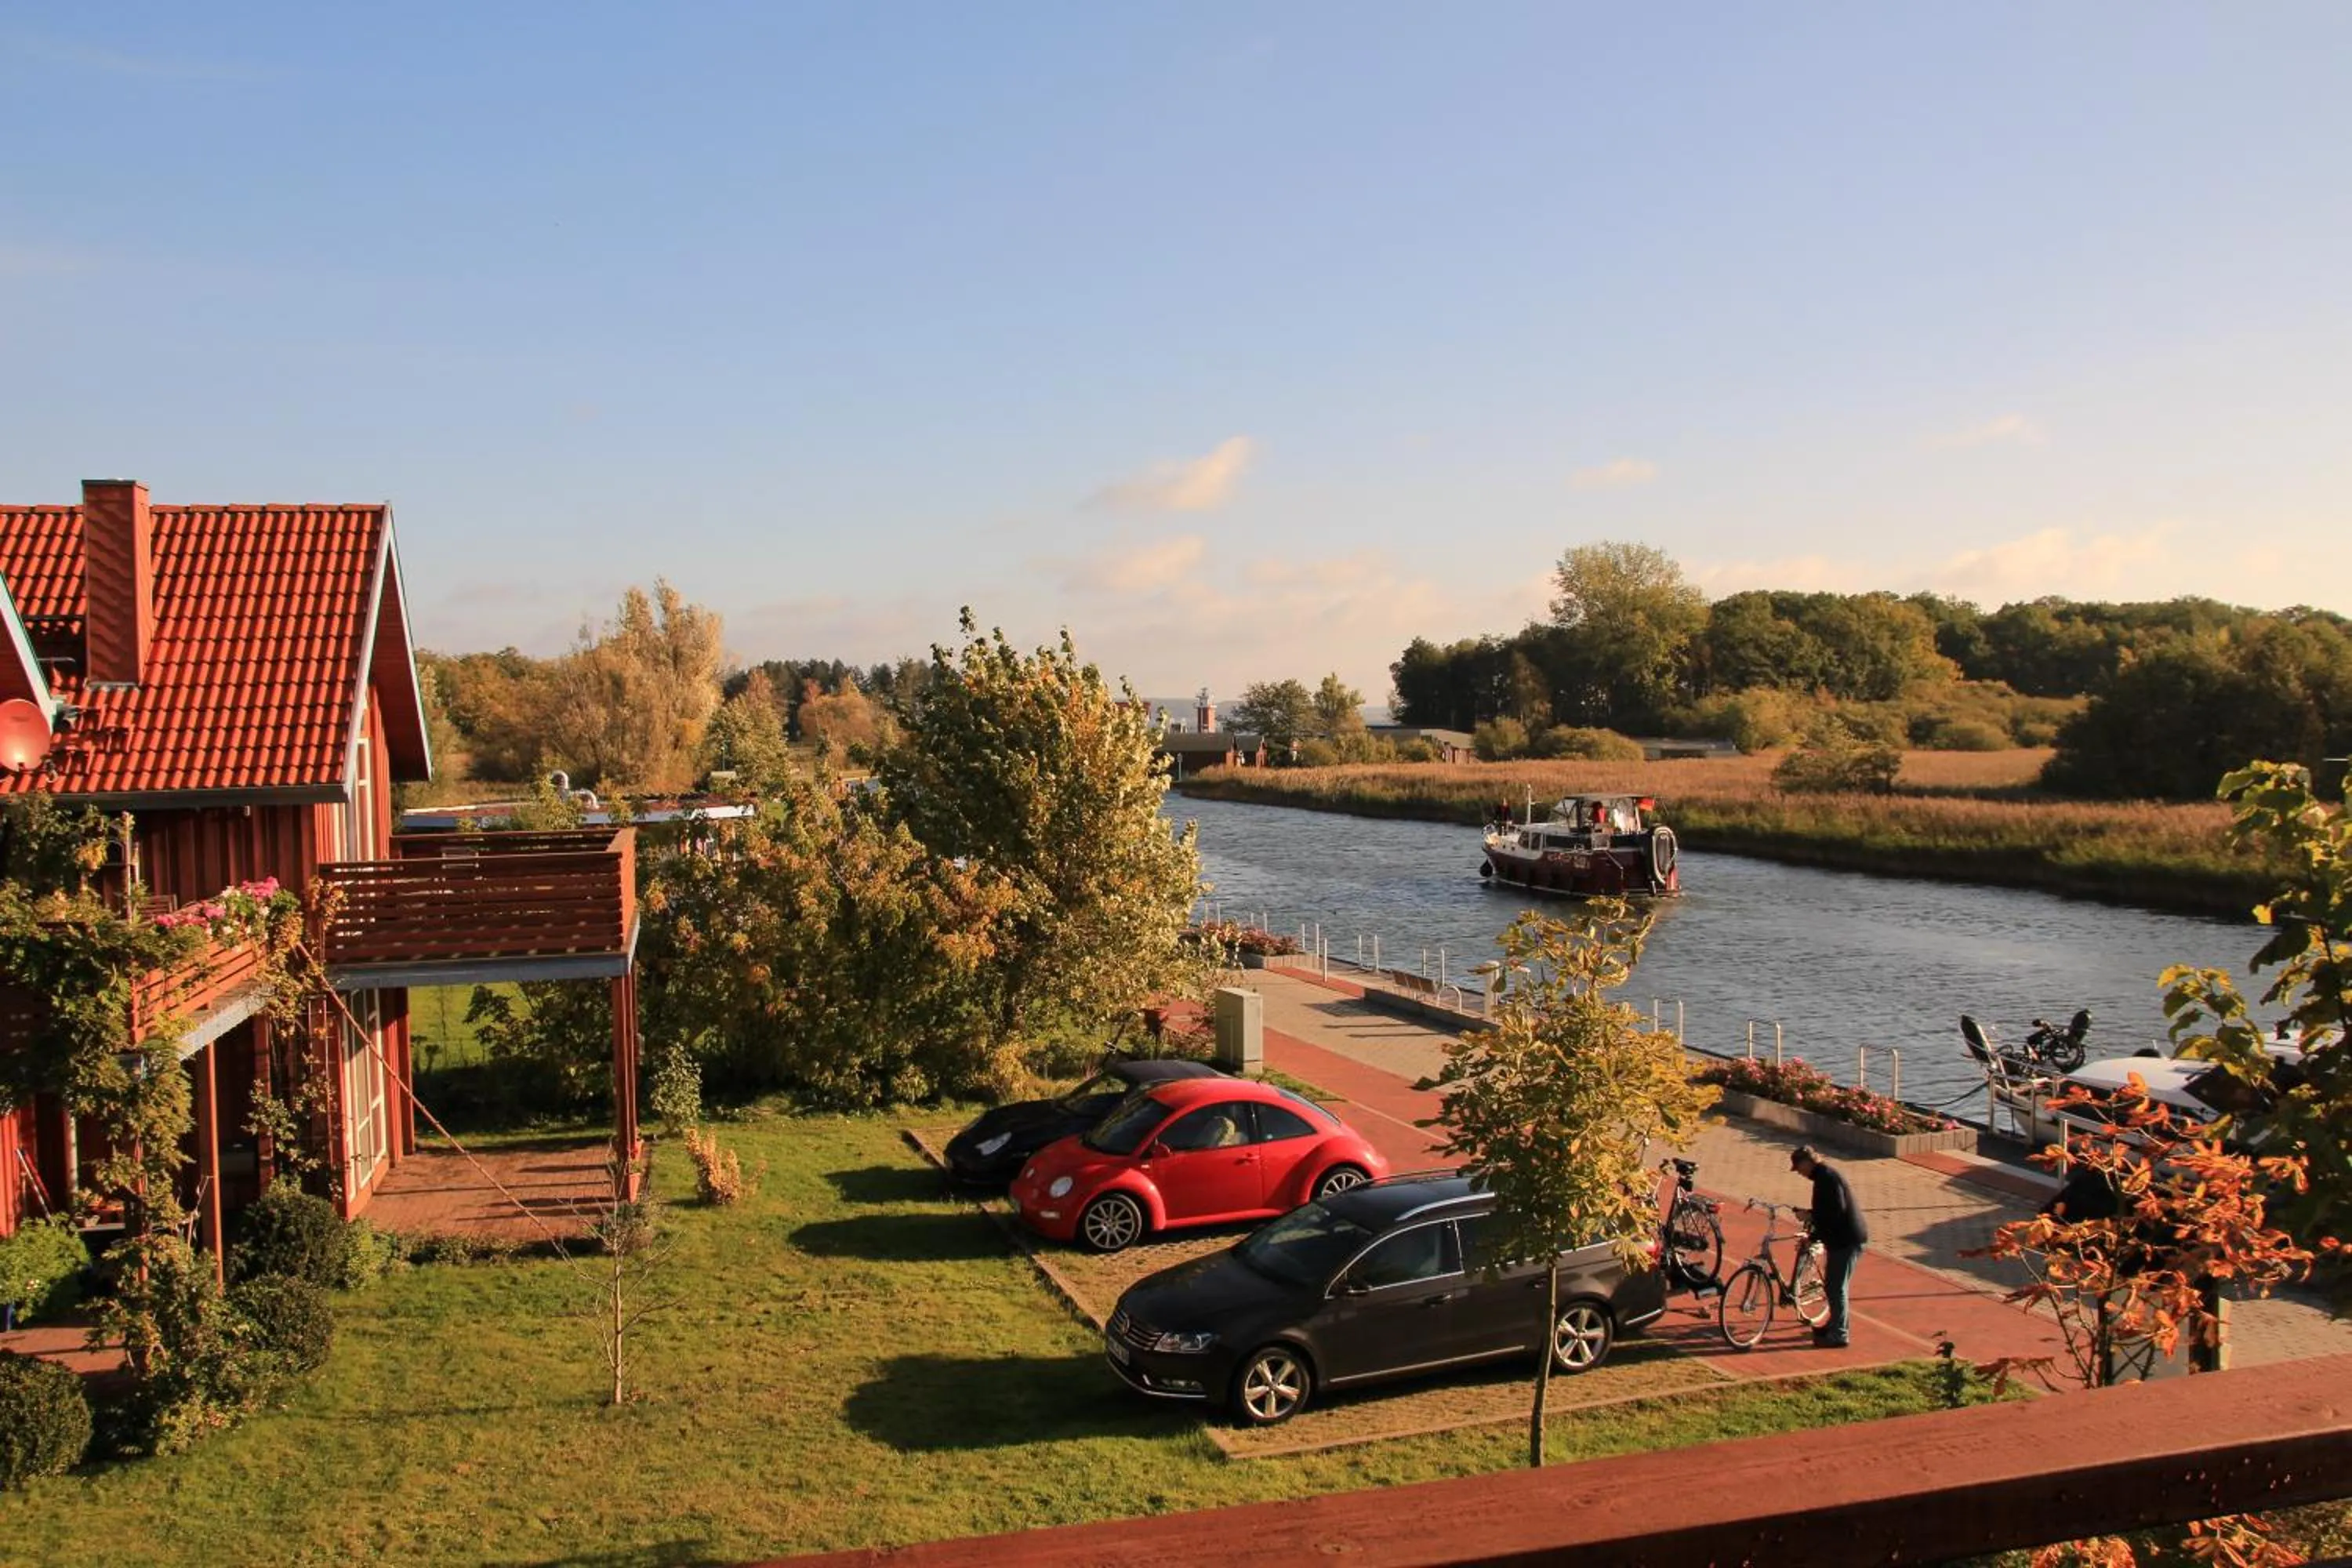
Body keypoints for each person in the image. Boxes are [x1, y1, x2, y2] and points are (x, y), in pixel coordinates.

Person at [1791, 1145, 1867, 1348]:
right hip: (1842, 1238)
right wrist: (1811, 1215)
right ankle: (1834, 1325)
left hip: (1846, 1240)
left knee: (1836, 1287)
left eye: (1799, 1168)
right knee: (1834, 1285)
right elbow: (1828, 1211)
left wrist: (1814, 1234)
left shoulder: (1826, 1179)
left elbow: (1833, 1214)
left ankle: (1840, 1334)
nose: (1799, 1173)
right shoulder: (1824, 1176)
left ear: (1807, 1162)